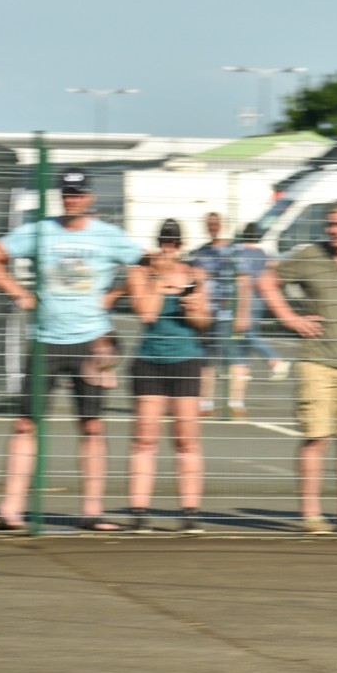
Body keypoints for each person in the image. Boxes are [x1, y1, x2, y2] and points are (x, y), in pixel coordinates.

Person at [0, 168, 145, 532]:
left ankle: (93, 512)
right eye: (67, 193)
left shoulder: (109, 236)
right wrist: (19, 292)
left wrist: (114, 295)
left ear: (91, 198)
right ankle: (11, 509)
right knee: (25, 424)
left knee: (93, 426)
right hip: (46, 340)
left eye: (79, 193)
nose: (73, 199)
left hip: (95, 342)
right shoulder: (39, 231)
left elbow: (145, 264)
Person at [255, 199, 337, 534]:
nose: (336, 230)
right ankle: (311, 515)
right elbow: (265, 280)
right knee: (316, 437)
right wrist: (291, 319)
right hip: (317, 361)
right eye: (331, 224)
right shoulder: (309, 256)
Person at [125, 219, 211, 534]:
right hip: (150, 360)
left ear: (181, 244)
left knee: (186, 439)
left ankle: (189, 512)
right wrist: (159, 278)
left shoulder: (195, 274)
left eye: (174, 242)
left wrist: (194, 307)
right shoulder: (140, 273)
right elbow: (146, 312)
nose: (168, 247)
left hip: (186, 359)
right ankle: (139, 511)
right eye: (164, 241)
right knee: (145, 438)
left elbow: (204, 322)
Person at [187, 212, 248, 418]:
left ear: (223, 225)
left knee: (235, 359)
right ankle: (206, 404)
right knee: (207, 361)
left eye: (216, 223)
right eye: (209, 224)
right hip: (206, 315)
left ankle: (236, 403)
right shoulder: (201, 253)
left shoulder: (233, 252)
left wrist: (242, 313)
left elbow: (244, 284)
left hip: (228, 316)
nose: (213, 227)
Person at [232, 222, 287, 381]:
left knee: (246, 334)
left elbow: (242, 280)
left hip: (243, 298)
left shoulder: (239, 253)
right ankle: (242, 369)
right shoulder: (263, 253)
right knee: (243, 338)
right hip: (259, 299)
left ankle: (275, 360)